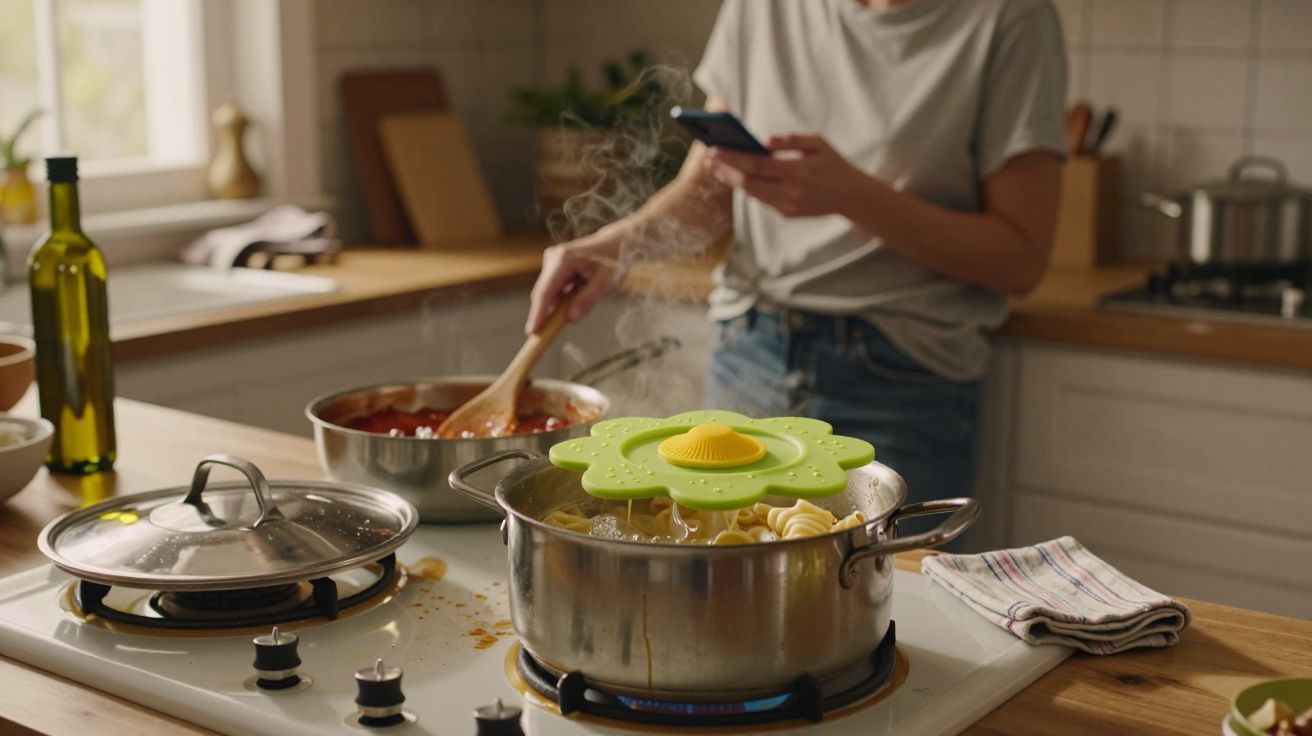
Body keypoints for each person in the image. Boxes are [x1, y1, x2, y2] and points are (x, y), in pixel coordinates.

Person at [525, 0, 1067, 509]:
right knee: (725, 580)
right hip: (748, 350)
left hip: (902, 375)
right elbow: (709, 188)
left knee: (886, 598)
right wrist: (612, 248)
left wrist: (850, 195)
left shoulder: (1010, 18)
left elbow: (1019, 259)